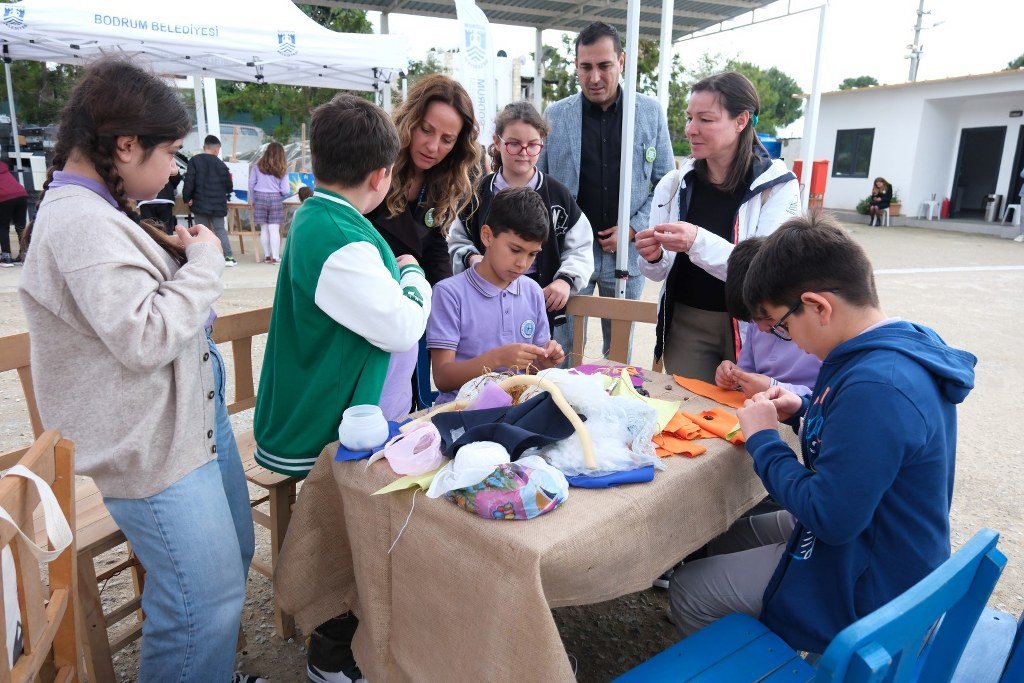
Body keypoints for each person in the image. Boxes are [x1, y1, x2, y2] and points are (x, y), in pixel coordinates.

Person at [17, 58, 260, 682]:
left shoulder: (96, 209)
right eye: (170, 152)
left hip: (182, 430)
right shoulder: (79, 221)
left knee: (224, 573)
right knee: (198, 603)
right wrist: (205, 261)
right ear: (126, 145)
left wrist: (173, 256)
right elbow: (146, 335)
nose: (174, 169)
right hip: (152, 451)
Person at [668, 211, 977, 654]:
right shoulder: (886, 351)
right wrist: (801, 408)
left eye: (784, 326)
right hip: (880, 541)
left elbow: (831, 517)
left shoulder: (878, 385)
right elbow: (860, 445)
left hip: (869, 579)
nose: (787, 338)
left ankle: (778, 663)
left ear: (818, 306)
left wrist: (765, 443)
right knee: (715, 537)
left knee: (689, 591)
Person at [251, 93, 431, 683]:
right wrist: (412, 276)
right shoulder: (339, 237)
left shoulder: (320, 216)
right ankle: (331, 655)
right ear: (382, 177)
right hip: (328, 421)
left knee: (360, 536)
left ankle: (353, 640)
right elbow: (402, 324)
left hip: (341, 409)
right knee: (344, 543)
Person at [635, 71, 800, 382]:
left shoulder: (776, 187)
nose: (691, 130)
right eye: (689, 118)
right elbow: (658, 273)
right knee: (690, 414)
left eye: (705, 120)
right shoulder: (675, 183)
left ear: (741, 121)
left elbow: (766, 273)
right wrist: (653, 257)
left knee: (743, 419)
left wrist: (696, 241)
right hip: (686, 323)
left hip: (757, 327)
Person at [538, 21, 673, 357]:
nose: (594, 77)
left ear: (621, 61)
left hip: (625, 254)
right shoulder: (555, 115)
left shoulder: (649, 112)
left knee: (619, 355)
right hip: (568, 254)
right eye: (586, 67)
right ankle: (563, 409)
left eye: (604, 65)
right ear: (576, 66)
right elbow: (538, 186)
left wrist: (632, 228)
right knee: (563, 351)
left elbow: (666, 183)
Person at [366, 73, 479, 420]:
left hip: (413, 301)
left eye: (447, 139)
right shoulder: (375, 161)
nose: (433, 147)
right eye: (426, 130)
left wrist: (449, 298)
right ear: (410, 120)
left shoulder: (443, 178)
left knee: (412, 399)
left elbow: (434, 243)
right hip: (373, 307)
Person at [448, 101, 594, 360]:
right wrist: (472, 258)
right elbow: (456, 239)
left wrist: (566, 280)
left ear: (543, 144)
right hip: (485, 299)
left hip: (540, 301)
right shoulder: (477, 194)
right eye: (514, 143)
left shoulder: (558, 194)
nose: (523, 152)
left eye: (533, 144)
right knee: (491, 363)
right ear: (497, 141)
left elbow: (581, 244)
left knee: (538, 366)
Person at [429, 186, 565, 403]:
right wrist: (497, 359)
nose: (522, 263)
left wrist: (546, 360)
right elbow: (443, 378)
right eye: (515, 249)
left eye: (532, 254)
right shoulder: (449, 294)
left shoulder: (532, 291)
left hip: (517, 410)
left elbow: (533, 368)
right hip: (462, 412)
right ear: (487, 236)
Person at [715, 236, 821, 398]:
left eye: (768, 317)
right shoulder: (758, 324)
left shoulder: (824, 334)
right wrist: (734, 376)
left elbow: (826, 399)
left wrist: (774, 387)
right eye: (752, 320)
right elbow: (746, 370)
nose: (761, 328)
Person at [184, 134, 237, 266]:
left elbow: (189, 181)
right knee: (220, 230)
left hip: (199, 202)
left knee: (202, 230)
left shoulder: (194, 161)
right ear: (217, 150)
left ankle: (205, 258)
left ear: (204, 147)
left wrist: (187, 198)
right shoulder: (221, 165)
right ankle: (228, 256)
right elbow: (229, 186)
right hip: (218, 204)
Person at [248, 141, 290, 264]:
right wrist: (280, 193)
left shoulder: (257, 166)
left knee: (264, 228)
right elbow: (286, 190)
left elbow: (251, 184)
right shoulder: (282, 169)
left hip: (259, 197)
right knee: (274, 229)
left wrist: (252, 199)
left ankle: (266, 256)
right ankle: (275, 257)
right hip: (275, 198)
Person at [0, 162, 28, 266]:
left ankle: (6, 257)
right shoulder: (4, 168)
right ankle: (24, 256)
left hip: (4, 197)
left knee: (3, 226)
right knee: (21, 226)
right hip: (21, 195)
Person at [138, 169, 182, 235]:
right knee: (166, 228)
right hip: (165, 196)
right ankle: (167, 243)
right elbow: (175, 177)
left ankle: (150, 244)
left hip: (145, 197)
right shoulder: (166, 159)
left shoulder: (139, 159)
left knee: (148, 228)